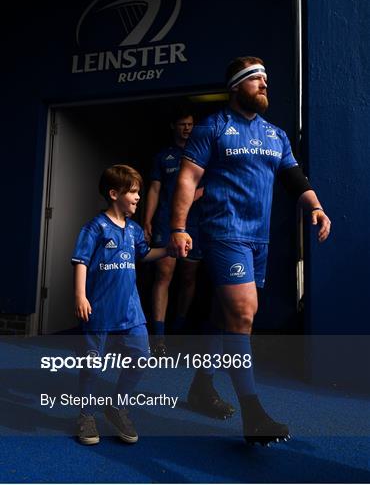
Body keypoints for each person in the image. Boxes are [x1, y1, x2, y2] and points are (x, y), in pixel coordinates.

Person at [169, 56, 331, 446]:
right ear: (235, 86)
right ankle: (253, 413)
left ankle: (200, 387)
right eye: (254, 78)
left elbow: (294, 178)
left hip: (259, 238)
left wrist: (316, 206)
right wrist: (177, 227)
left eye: (265, 78)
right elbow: (188, 179)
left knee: (224, 315)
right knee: (243, 313)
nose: (263, 84)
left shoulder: (276, 135)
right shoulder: (213, 128)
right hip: (224, 232)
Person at [71, 164, 169, 446]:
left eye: (139, 192)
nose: (138, 197)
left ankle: (116, 406)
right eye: (133, 192)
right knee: (92, 365)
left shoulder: (135, 230)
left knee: (141, 357)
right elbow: (80, 261)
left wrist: (169, 251)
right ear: (114, 194)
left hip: (131, 312)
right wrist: (80, 295)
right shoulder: (95, 228)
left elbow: (145, 255)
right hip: (99, 311)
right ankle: (86, 415)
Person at [143, 105, 203, 356]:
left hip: (195, 224)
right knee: (163, 276)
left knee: (189, 278)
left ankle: (179, 328)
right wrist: (147, 220)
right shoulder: (163, 157)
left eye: (190, 124)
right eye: (182, 124)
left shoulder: (202, 154)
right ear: (173, 127)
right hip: (165, 224)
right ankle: (159, 337)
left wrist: (188, 201)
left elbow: (207, 188)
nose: (187, 128)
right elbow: (155, 190)